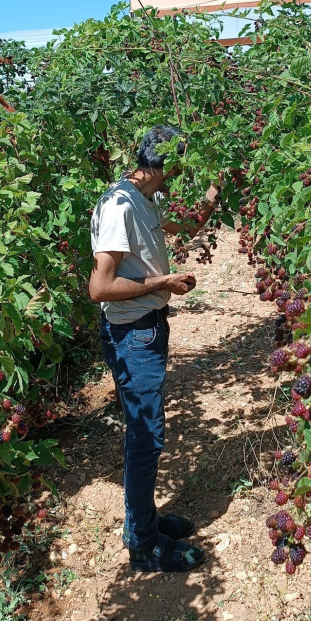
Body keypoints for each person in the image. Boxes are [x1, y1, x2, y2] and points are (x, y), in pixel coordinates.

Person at [89, 125, 221, 573]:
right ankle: (142, 543)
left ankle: (144, 519)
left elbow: (190, 223)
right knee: (145, 439)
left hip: (148, 328)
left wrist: (217, 186)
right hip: (133, 335)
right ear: (169, 163)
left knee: (145, 436)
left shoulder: (147, 199)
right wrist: (162, 282)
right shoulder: (117, 206)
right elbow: (100, 287)